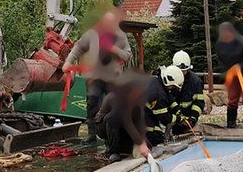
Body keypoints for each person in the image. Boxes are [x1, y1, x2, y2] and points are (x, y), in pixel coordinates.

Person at [63, 11, 132, 144]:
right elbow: (78, 48)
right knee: (92, 103)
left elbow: (128, 56)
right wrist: (68, 62)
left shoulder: (121, 37)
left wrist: (114, 49)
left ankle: (111, 137)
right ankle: (92, 133)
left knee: (113, 106)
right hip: (95, 76)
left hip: (113, 78)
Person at [96, 72, 151, 163]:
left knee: (145, 144)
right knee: (114, 117)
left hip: (120, 125)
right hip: (103, 125)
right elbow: (127, 121)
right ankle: (113, 152)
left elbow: (139, 120)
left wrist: (143, 141)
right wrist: (140, 143)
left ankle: (121, 147)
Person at [216, 22, 243, 129]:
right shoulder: (220, 45)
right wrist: (227, 72)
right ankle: (231, 123)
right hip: (233, 73)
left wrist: (239, 66)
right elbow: (221, 61)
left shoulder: (242, 42)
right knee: (232, 99)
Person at [145, 66, 184, 147]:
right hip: (140, 117)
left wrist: (176, 108)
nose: (173, 88)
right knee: (157, 138)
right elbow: (164, 118)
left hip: (144, 112)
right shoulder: (159, 95)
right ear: (168, 81)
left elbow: (168, 96)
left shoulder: (157, 81)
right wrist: (178, 118)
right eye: (173, 86)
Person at [170, 51, 205, 135]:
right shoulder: (169, 78)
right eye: (179, 71)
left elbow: (199, 102)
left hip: (187, 117)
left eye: (184, 71)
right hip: (171, 116)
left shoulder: (196, 82)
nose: (181, 74)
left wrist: (193, 118)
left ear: (189, 68)